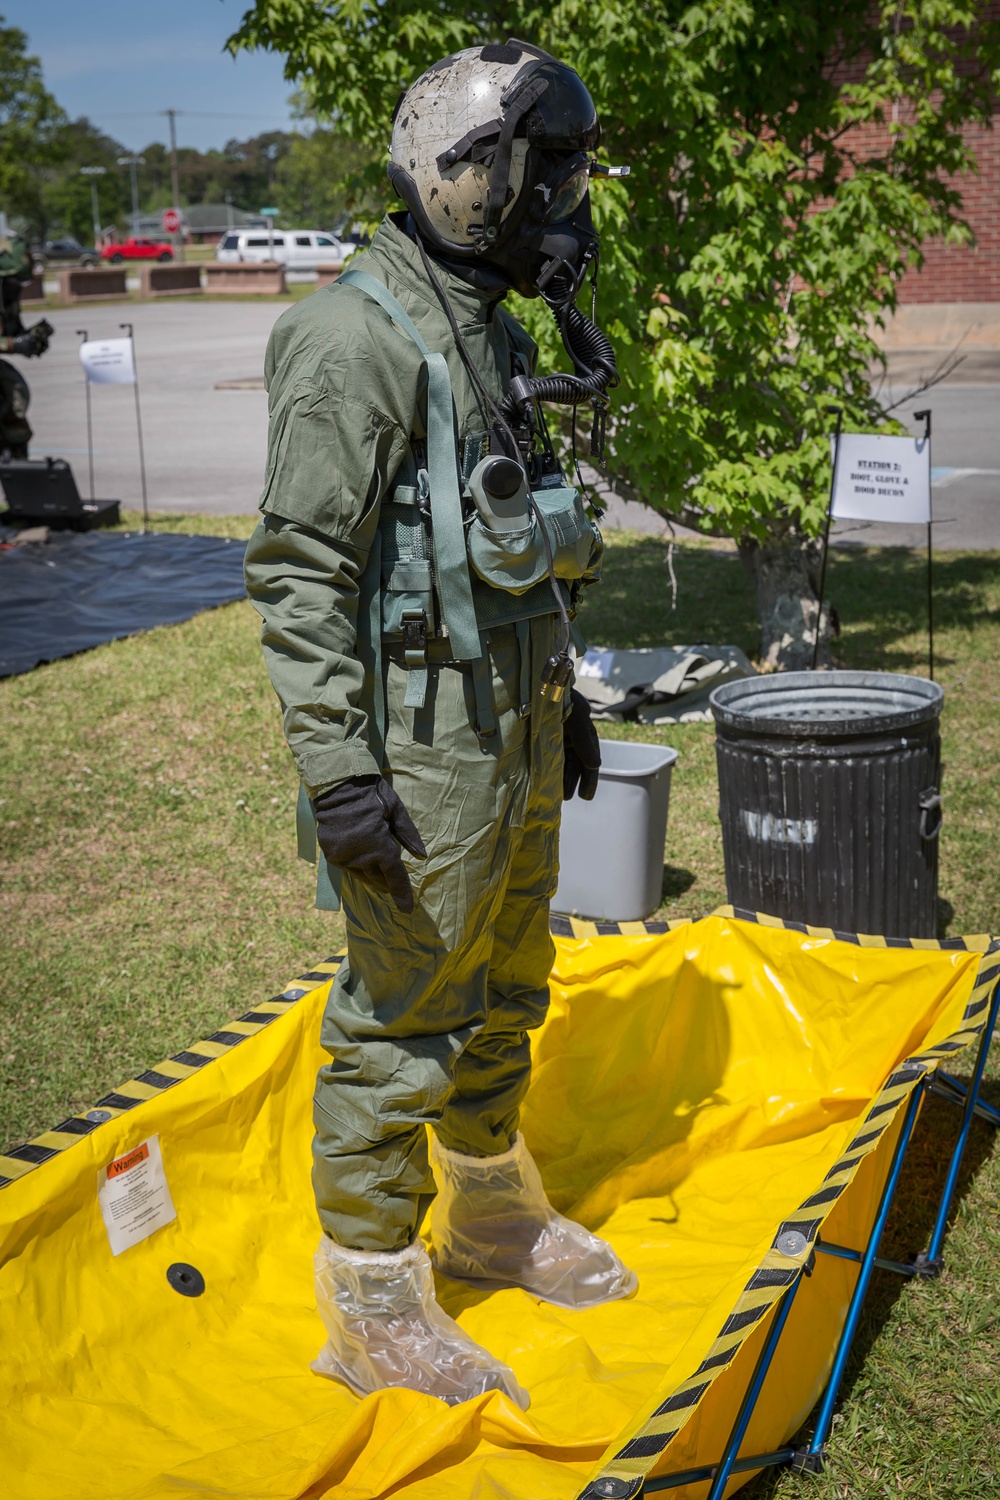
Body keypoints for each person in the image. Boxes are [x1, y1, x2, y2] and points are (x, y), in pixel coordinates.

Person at [244, 39, 636, 1410]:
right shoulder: (352, 334)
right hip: (419, 758)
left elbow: (497, 534)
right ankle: (368, 1300)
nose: (565, 207)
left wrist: (562, 700)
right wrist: (342, 776)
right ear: (470, 176)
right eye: (549, 176)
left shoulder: (487, 319)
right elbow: (302, 574)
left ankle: (488, 1213)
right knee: (404, 1021)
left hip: (512, 732)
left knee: (509, 987)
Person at [0, 230, 51, 459]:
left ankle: (21, 487)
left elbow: (11, 332)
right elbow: (9, 341)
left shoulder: (7, 296)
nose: (17, 288)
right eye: (12, 281)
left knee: (15, 407)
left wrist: (30, 340)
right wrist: (13, 344)